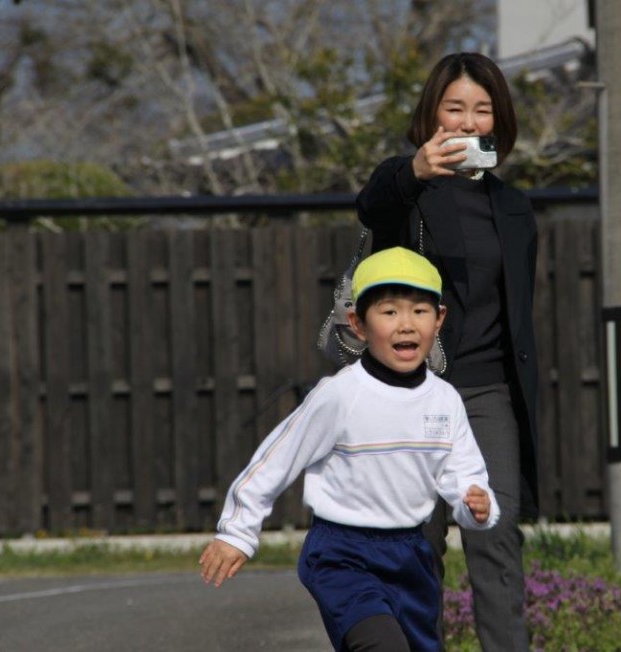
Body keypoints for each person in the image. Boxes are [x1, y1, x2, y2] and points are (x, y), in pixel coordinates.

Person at [199, 246, 499, 652]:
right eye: (389, 312)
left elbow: (463, 474)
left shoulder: (444, 400)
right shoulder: (341, 394)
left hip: (411, 555)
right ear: (358, 324)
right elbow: (277, 459)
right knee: (382, 646)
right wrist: (237, 532)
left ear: (439, 319)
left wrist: (473, 503)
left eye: (419, 311)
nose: (405, 325)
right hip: (343, 555)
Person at [355, 52, 539, 651]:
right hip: (414, 394)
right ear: (432, 116)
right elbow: (372, 205)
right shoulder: (405, 192)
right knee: (415, 545)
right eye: (454, 107)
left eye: (482, 110)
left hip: (488, 394)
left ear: (498, 122)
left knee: (495, 536)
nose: (468, 122)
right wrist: (415, 171)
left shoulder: (513, 208)